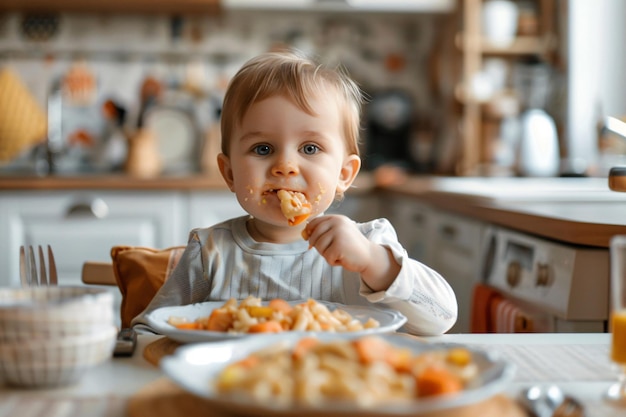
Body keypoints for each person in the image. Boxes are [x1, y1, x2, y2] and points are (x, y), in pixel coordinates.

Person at [131, 50, 457, 336]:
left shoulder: (368, 245)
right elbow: (150, 328)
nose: (285, 165)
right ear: (229, 173)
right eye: (263, 148)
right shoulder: (210, 253)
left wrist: (375, 263)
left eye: (310, 147)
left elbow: (442, 318)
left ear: (344, 174)